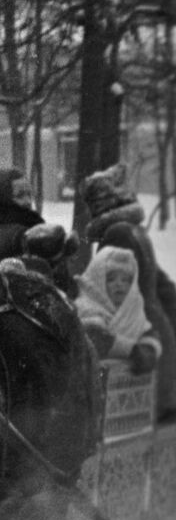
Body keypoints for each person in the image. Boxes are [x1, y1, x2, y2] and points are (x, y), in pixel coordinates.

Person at [83, 163, 176, 418]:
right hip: (155, 329)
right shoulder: (133, 231)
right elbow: (161, 286)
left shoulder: (118, 234)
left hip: (135, 331)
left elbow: (109, 288)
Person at [76, 246, 161, 375]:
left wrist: (150, 349)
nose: (119, 284)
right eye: (111, 279)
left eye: (126, 280)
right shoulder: (86, 307)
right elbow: (96, 338)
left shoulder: (133, 311)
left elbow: (149, 333)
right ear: (97, 282)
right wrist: (132, 350)